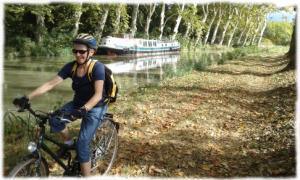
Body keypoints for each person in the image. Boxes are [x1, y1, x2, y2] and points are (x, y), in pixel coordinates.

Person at [13, 33, 107, 176]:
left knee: (82, 144)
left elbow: (98, 94)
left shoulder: (97, 68)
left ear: (91, 52)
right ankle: (69, 145)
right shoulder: (71, 67)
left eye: (82, 51)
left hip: (95, 107)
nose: (77, 54)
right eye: (75, 51)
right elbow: (50, 83)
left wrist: (84, 109)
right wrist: (27, 97)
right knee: (54, 119)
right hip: (78, 103)